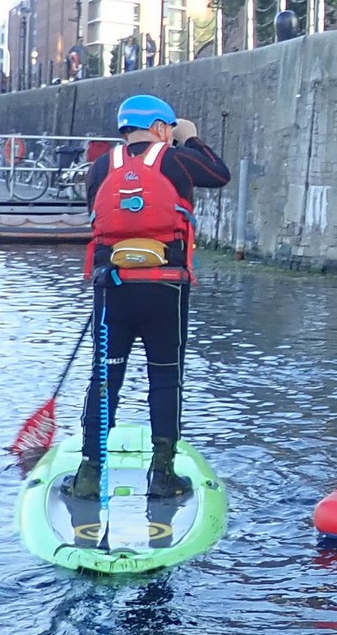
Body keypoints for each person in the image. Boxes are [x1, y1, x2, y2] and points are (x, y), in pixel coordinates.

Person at [66, 94, 231, 499]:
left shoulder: (101, 166)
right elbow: (219, 174)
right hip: (165, 288)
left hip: (113, 290)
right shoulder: (176, 160)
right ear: (161, 127)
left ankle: (89, 474)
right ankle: (163, 476)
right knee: (165, 378)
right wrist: (190, 139)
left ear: (125, 130)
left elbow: (98, 215)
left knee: (104, 381)